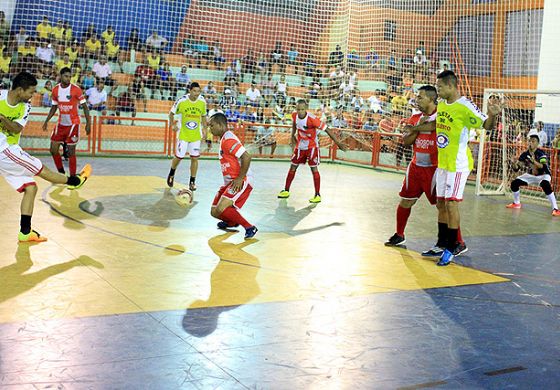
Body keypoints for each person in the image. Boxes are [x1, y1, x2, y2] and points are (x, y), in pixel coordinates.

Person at [1, 72, 91, 242]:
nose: (33, 96)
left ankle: (25, 232)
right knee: (42, 170)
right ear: (20, 90)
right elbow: (44, 173)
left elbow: (15, 128)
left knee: (30, 188)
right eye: (31, 92)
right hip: (4, 150)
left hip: (8, 150)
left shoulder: (25, 106)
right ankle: (75, 181)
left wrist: (1, 118)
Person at [384, 85, 466, 254]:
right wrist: (418, 127)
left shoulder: (442, 116)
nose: (416, 100)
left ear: (431, 99)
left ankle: (457, 241)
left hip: (435, 169)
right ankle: (399, 234)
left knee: (444, 207)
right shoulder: (415, 117)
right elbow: (407, 142)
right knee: (405, 201)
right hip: (415, 167)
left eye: (420, 97)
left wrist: (421, 126)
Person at [433, 70, 501, 265]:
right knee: (441, 204)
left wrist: (492, 114)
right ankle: (442, 242)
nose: (438, 90)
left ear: (451, 86)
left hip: (457, 164)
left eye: (440, 87)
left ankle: (453, 245)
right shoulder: (442, 104)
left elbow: (486, 125)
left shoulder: (465, 106)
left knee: (452, 204)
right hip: (443, 163)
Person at [278, 99, 347, 203]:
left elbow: (327, 129)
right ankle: (286, 190)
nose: (300, 111)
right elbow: (294, 124)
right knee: (293, 166)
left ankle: (317, 195)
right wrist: (292, 136)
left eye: (302, 109)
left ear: (306, 109)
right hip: (300, 147)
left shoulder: (312, 119)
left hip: (312, 147)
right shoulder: (294, 115)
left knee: (314, 169)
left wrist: (338, 143)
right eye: (298, 109)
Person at [207, 112, 257, 239]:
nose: (210, 129)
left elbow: (246, 157)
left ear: (220, 125)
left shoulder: (228, 139)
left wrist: (240, 178)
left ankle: (249, 227)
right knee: (214, 211)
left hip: (241, 180)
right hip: (230, 182)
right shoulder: (224, 139)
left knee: (222, 207)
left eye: (212, 126)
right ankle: (232, 222)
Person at [42, 67, 91, 177]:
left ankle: (72, 176)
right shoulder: (55, 90)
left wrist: (88, 123)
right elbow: (54, 107)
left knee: (71, 151)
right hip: (61, 125)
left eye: (70, 76)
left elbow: (85, 107)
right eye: (66, 76)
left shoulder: (76, 89)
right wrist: (46, 120)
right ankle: (61, 173)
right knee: (53, 149)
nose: (68, 79)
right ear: (61, 76)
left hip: (73, 124)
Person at [506, 134, 559, 216]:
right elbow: (517, 168)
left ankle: (555, 209)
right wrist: (513, 163)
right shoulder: (524, 154)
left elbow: (543, 166)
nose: (531, 142)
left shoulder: (541, 153)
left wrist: (533, 161)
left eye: (533, 141)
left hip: (543, 175)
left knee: (546, 185)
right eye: (530, 141)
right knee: (514, 183)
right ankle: (516, 203)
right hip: (531, 176)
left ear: (537, 144)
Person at [167, 82, 206, 191]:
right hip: (183, 134)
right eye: (194, 91)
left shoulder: (202, 101)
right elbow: (171, 114)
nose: (197, 93)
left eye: (198, 91)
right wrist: (172, 125)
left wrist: (205, 130)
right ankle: (171, 173)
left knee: (194, 158)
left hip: (196, 135)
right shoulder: (182, 101)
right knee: (179, 157)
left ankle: (192, 182)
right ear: (190, 91)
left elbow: (203, 116)